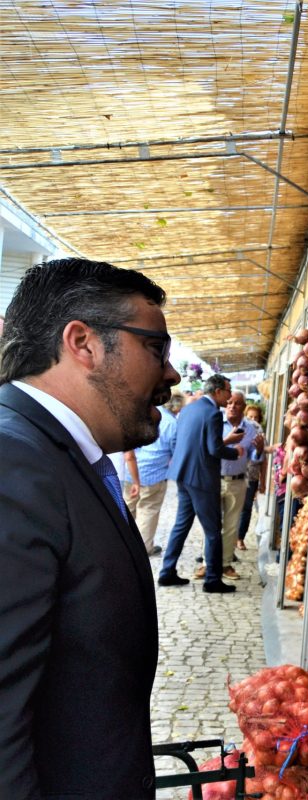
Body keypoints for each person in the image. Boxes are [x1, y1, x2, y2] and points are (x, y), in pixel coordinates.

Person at [0, 257, 180, 797]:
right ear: (83, 343)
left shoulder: (63, 456)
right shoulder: (13, 461)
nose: (171, 373)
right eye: (156, 347)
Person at [158, 373, 245, 593]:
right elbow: (214, 448)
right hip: (201, 477)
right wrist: (234, 451)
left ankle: (167, 572)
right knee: (213, 529)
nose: (229, 395)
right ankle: (213, 580)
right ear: (217, 392)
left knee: (181, 524)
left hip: (183, 473)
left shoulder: (189, 408)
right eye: (227, 390)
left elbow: (186, 441)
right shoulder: (213, 413)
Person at [209, 390, 262, 579]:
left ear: (244, 407)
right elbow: (209, 449)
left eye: (237, 403)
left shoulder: (251, 429)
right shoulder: (215, 422)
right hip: (214, 480)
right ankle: (208, 564)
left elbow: (255, 457)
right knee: (212, 525)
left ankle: (225, 565)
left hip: (238, 481)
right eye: (229, 402)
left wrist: (260, 450)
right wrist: (227, 441)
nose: (232, 406)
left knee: (231, 526)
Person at [125, 391, 185, 555]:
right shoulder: (172, 424)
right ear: (177, 406)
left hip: (132, 470)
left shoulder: (145, 414)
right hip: (155, 474)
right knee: (148, 511)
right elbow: (176, 450)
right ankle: (144, 549)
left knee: (127, 510)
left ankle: (122, 546)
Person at [236, 402, 266, 550]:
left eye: (256, 417)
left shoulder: (259, 432)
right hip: (235, 473)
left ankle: (240, 538)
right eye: (250, 416)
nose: (253, 419)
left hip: (251, 476)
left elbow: (262, 460)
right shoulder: (238, 429)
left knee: (246, 508)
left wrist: (263, 481)